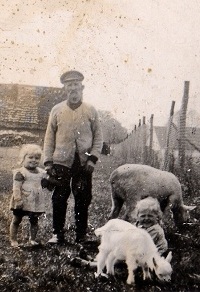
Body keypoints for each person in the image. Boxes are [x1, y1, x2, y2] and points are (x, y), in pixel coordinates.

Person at [43, 70, 103, 244]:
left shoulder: (91, 110)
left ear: (81, 87)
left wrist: (92, 158)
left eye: (76, 85)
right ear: (65, 89)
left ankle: (81, 234)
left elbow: (98, 136)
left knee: (82, 198)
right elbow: (49, 137)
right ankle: (57, 233)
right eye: (69, 85)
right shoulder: (57, 110)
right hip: (61, 161)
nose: (73, 89)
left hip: (84, 162)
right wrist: (48, 162)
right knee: (59, 197)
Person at [9, 144, 47, 247]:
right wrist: (18, 199)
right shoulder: (20, 173)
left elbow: (47, 180)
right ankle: (13, 239)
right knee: (17, 219)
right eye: (30, 157)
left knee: (34, 220)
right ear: (23, 158)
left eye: (37, 158)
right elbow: (16, 187)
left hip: (34, 201)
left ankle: (32, 239)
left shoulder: (40, 172)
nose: (34, 160)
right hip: (22, 199)